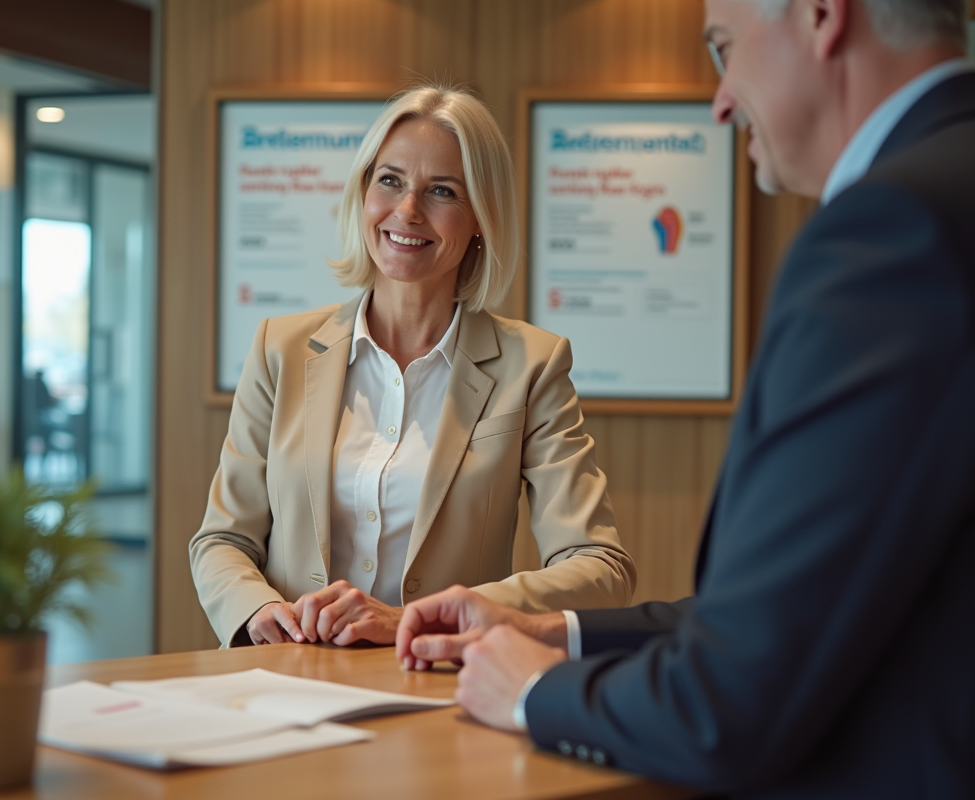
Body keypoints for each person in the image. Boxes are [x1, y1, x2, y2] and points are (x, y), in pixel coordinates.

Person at [395, 1, 975, 797]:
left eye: (724, 48)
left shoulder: (891, 228)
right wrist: (551, 633)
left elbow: (730, 701)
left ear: (820, 15)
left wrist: (532, 690)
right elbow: (810, 605)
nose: (722, 99)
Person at [191, 85, 636, 648]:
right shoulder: (279, 349)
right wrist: (257, 611)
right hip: (289, 678)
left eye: (442, 191)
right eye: (390, 180)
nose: (407, 211)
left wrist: (422, 618)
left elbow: (601, 568)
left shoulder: (532, 367)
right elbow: (222, 540)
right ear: (363, 193)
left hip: (440, 684)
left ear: (480, 217)